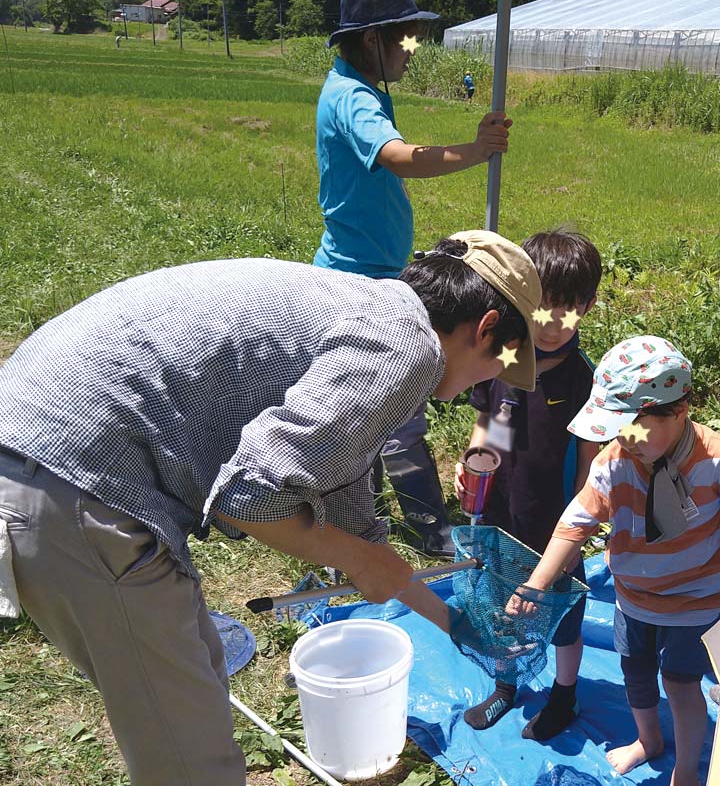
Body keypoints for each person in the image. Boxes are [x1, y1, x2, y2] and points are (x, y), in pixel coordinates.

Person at [0, 230, 542, 785]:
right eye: (503, 361)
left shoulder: (379, 315)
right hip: (72, 479)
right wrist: (358, 561)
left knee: (197, 671)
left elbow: (342, 495)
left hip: (44, 438)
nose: (496, 377)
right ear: (487, 327)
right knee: (189, 763)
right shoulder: (405, 352)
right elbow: (248, 500)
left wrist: (448, 618)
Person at [510, 336, 720, 786]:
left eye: (633, 426)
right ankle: (649, 739)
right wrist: (537, 582)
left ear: (678, 411)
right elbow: (575, 525)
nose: (623, 439)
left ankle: (685, 767)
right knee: (637, 676)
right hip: (634, 599)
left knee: (683, 685)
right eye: (615, 428)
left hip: (697, 600)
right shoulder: (614, 464)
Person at [313, 0, 513, 555]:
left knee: (366, 410)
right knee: (396, 406)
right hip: (360, 282)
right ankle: (431, 531)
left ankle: (364, 509)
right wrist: (475, 151)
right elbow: (398, 156)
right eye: (405, 37)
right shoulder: (354, 97)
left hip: (370, 270)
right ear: (371, 39)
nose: (412, 48)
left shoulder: (361, 87)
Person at [453, 230, 604, 737]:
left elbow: (590, 468)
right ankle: (506, 685)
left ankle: (565, 696)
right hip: (500, 515)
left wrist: (578, 532)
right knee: (498, 602)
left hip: (554, 526)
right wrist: (475, 459)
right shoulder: (507, 359)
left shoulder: (584, 381)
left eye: (569, 309)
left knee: (562, 618)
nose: (553, 323)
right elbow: (494, 423)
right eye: (543, 307)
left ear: (589, 305)